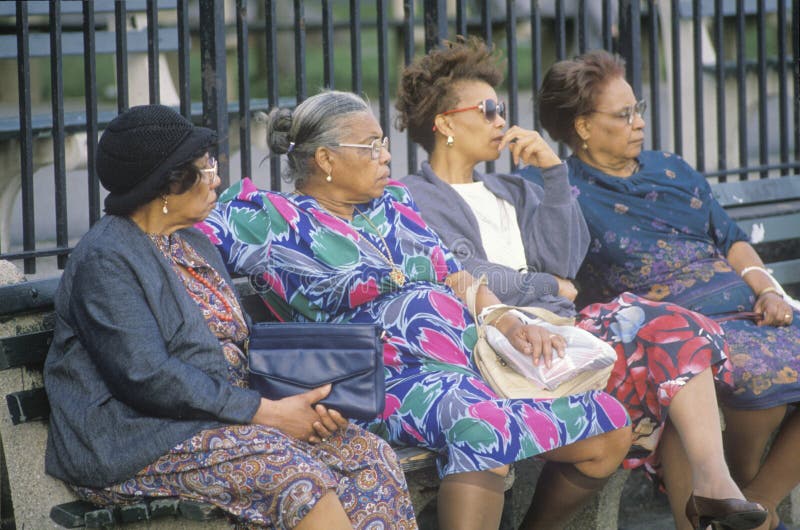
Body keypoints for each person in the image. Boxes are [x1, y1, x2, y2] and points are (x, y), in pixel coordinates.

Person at [199, 90, 633, 530]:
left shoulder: (395, 205)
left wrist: (505, 316)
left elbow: (453, 274)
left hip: (472, 363)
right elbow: (174, 230)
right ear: (326, 160)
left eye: (384, 142)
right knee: (483, 427)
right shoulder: (270, 219)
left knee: (611, 425)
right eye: (371, 146)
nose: (386, 155)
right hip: (379, 379)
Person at [396, 36, 768, 530]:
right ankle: (713, 493)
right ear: (445, 123)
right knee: (651, 332)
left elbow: (566, 259)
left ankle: (715, 487)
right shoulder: (414, 196)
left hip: (562, 339)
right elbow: (460, 271)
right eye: (487, 110)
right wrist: (543, 285)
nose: (500, 120)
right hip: (494, 343)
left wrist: (551, 173)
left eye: (501, 108)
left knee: (676, 332)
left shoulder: (512, 187)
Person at [43, 104, 418, 530]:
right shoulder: (107, 258)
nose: (217, 179)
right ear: (167, 183)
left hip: (229, 419)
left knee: (368, 457)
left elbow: (240, 345)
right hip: (138, 438)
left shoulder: (193, 244)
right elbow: (146, 376)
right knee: (295, 477)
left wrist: (309, 402)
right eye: (205, 170)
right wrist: (268, 413)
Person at [522, 49, 800, 530]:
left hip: (750, 311)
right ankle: (744, 500)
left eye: (639, 108)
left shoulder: (670, 168)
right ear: (583, 127)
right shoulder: (559, 190)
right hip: (672, 332)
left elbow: (729, 239)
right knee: (744, 378)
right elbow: (553, 270)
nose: (639, 122)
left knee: (764, 369)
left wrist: (768, 289)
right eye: (624, 114)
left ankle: (759, 501)